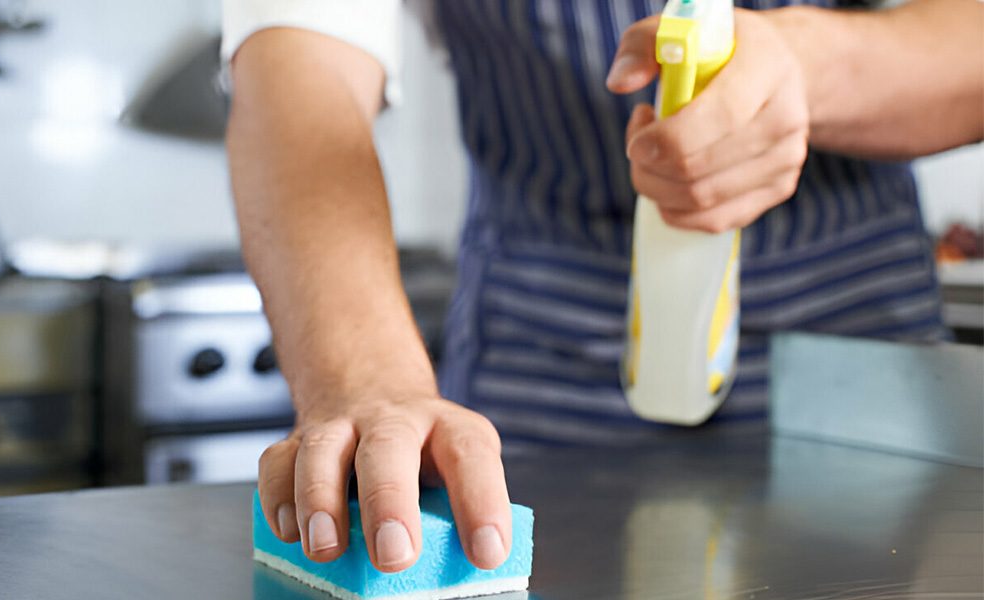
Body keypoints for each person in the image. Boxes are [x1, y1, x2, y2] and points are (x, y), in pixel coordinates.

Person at [222, 0, 982, 575]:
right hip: (536, 408)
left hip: (865, 402)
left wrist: (804, 65)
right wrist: (365, 381)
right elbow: (300, 66)